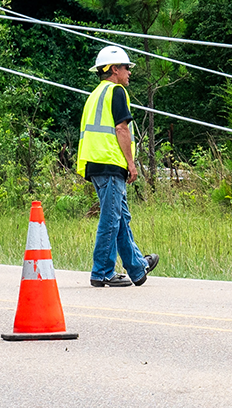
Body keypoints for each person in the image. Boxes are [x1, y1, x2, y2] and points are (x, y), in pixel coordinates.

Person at [76, 45, 158, 288]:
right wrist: (131, 164)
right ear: (114, 69)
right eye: (126, 67)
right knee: (111, 220)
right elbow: (122, 128)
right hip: (110, 163)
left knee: (120, 218)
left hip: (95, 163)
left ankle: (136, 268)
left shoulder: (95, 94)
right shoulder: (116, 92)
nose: (129, 72)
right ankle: (101, 272)